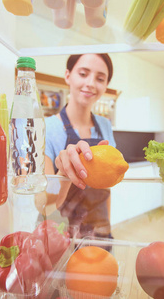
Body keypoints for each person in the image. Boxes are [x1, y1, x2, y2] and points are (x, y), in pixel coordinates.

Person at [44, 53, 116, 239]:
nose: (91, 83)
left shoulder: (105, 126)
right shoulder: (48, 128)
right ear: (68, 75)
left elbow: (107, 189)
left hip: (100, 232)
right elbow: (44, 203)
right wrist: (63, 173)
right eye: (83, 74)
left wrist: (107, 227)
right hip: (60, 235)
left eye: (100, 78)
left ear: (106, 84)